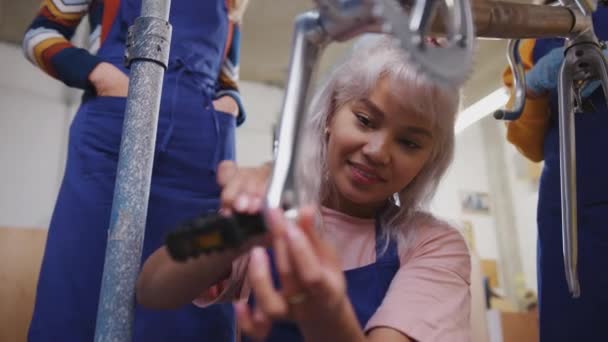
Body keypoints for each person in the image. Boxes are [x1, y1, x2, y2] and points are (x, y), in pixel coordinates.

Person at [136, 35, 471, 341]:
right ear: (331, 114)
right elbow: (152, 287)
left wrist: (327, 312)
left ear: (429, 160)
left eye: (409, 143)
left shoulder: (432, 246)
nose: (377, 151)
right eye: (365, 121)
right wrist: (233, 229)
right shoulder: (273, 212)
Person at [23, 0, 249, 341]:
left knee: (197, 287)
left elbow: (228, 79)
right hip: (112, 136)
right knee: (81, 279)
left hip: (201, 154)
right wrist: (101, 75)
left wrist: (230, 105)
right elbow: (39, 34)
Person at [502, 6, 608, 341]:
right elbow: (528, 143)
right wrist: (531, 88)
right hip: (567, 214)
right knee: (574, 326)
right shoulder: (536, 36)